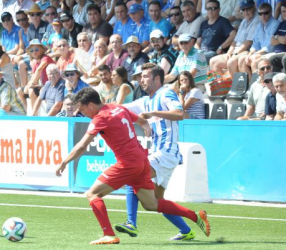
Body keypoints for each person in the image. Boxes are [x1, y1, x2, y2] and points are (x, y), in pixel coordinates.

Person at [55, 86, 210, 245]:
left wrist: (64, 162)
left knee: (92, 194)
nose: (81, 113)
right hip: (142, 160)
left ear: (91, 105)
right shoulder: (117, 108)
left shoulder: (100, 118)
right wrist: (146, 128)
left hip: (128, 163)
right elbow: (141, 121)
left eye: (82, 109)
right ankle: (196, 216)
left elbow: (82, 146)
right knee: (152, 204)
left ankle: (109, 234)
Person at [114, 63, 198, 241]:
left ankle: (131, 223)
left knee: (133, 176)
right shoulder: (145, 100)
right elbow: (121, 110)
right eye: (140, 77)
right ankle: (186, 230)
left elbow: (179, 113)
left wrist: (151, 114)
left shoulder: (165, 93)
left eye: (145, 76)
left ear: (157, 78)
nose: (141, 80)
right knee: (156, 202)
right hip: (161, 153)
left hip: (167, 151)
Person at [209, 0, 260, 78]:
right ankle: (221, 88)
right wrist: (230, 51)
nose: (246, 12)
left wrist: (235, 53)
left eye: (248, 9)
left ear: (254, 7)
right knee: (213, 61)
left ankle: (238, 87)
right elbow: (235, 40)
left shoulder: (257, 20)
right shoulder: (244, 20)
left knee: (231, 62)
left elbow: (249, 42)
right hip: (236, 51)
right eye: (243, 9)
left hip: (247, 50)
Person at [237, 3, 279, 81]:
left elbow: (269, 46)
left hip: (271, 52)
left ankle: (258, 86)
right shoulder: (259, 25)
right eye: (260, 14)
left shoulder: (275, 24)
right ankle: (249, 86)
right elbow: (255, 44)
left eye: (265, 13)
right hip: (261, 52)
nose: (263, 16)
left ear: (270, 12)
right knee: (242, 59)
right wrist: (249, 54)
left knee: (254, 60)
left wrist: (256, 53)